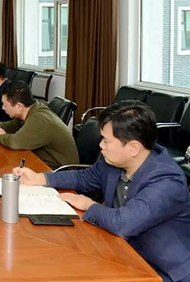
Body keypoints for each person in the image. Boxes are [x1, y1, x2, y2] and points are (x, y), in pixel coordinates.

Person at [15, 101, 190, 282]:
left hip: (162, 271)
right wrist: (41, 178)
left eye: (106, 141)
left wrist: (89, 204)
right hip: (122, 252)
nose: (101, 145)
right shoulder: (115, 163)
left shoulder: (167, 180)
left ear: (133, 148)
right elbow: (84, 177)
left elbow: (124, 224)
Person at [0, 81, 78, 170]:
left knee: (6, 168)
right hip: (42, 161)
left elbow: (15, 142)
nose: (3, 108)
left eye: (5, 105)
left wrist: (0, 136)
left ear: (19, 106)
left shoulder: (39, 119)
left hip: (59, 171)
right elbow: (17, 123)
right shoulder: (33, 109)